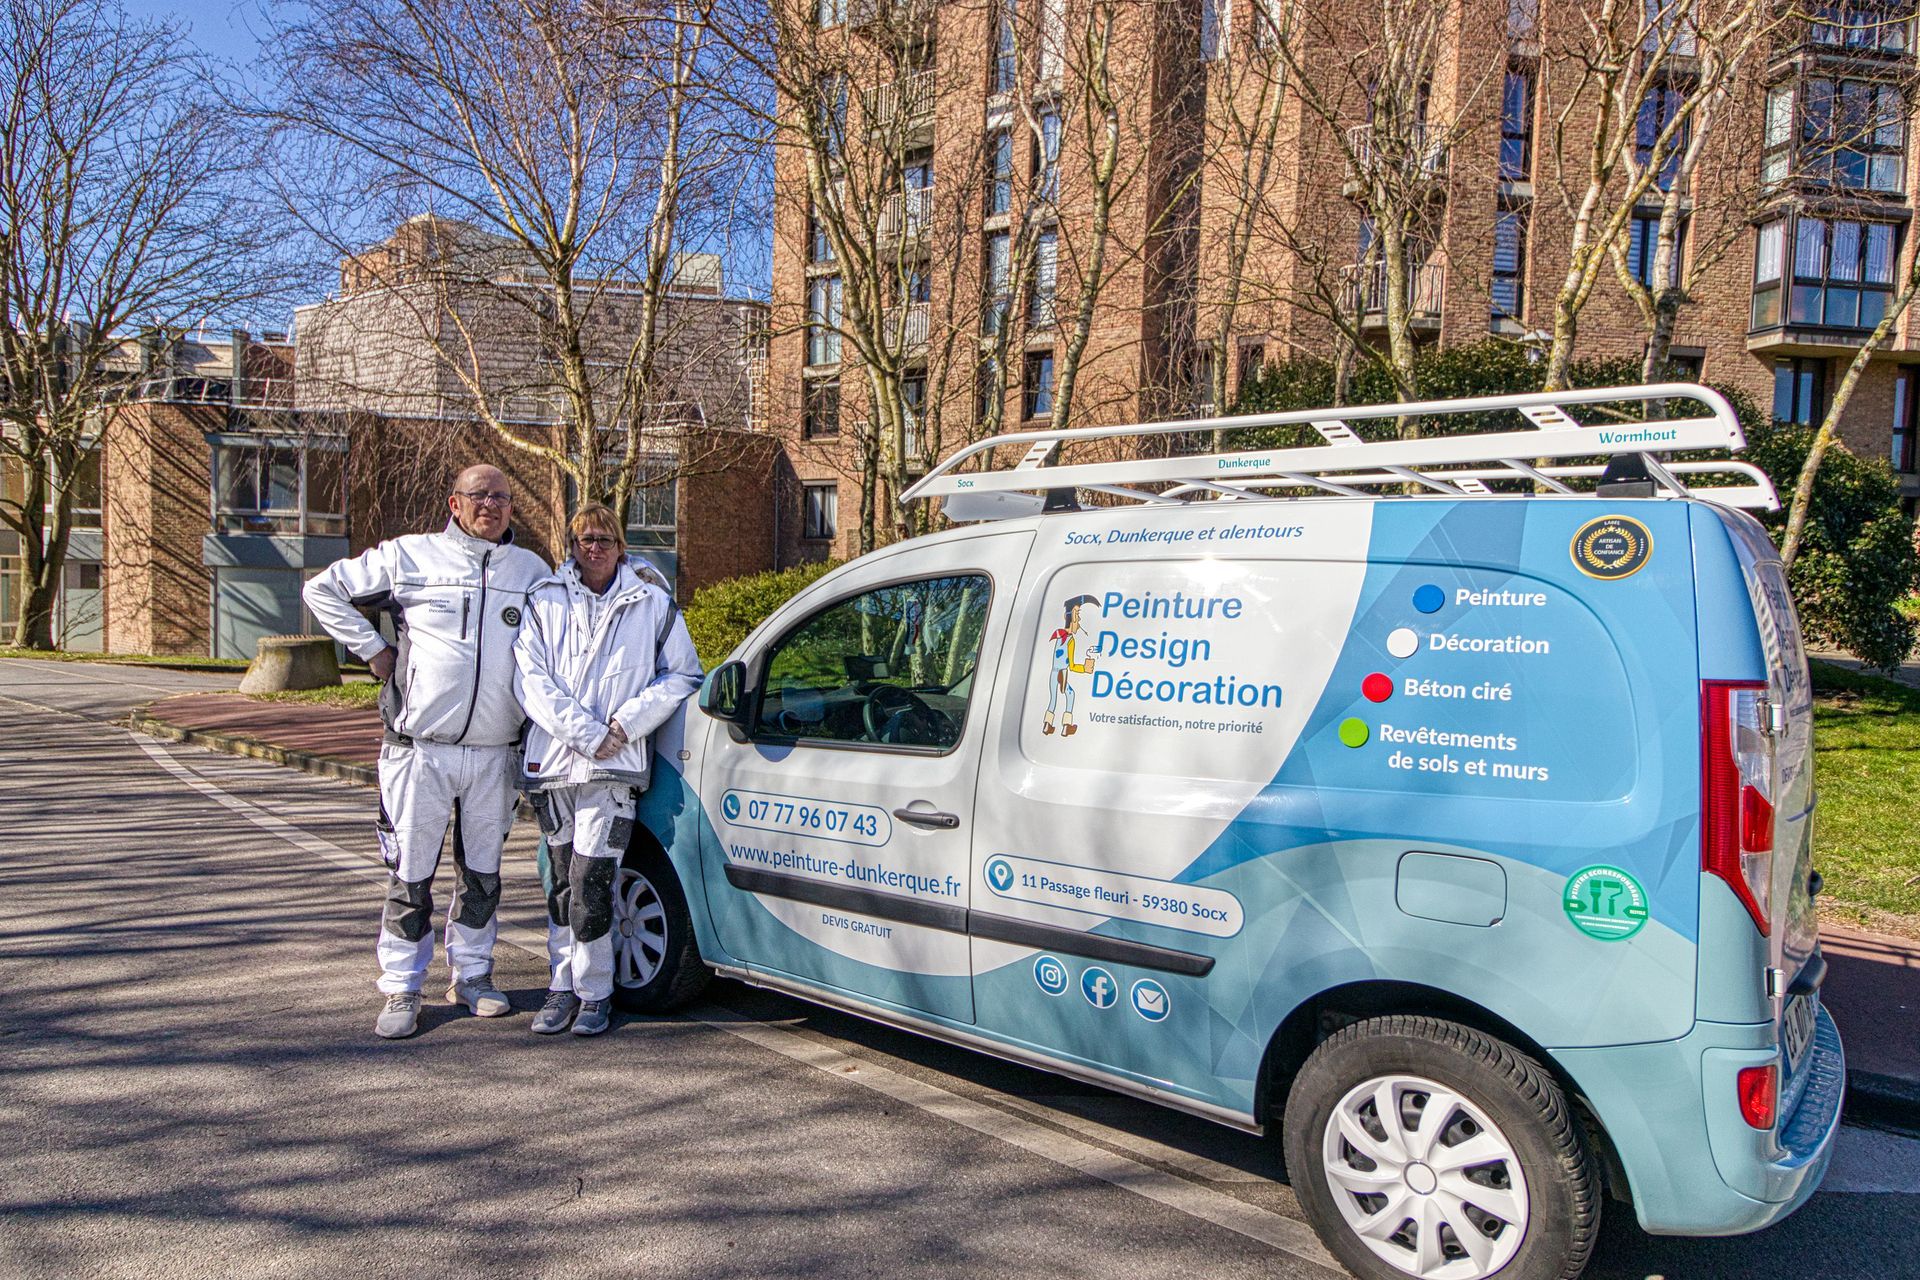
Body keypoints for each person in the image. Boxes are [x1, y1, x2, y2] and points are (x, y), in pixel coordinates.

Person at [303, 464, 550, 1039]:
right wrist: (372, 650)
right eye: (479, 496)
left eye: (502, 497)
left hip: (496, 751)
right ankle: (401, 987)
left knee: (483, 874)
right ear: (454, 503)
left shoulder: (530, 571)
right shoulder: (410, 557)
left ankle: (472, 976)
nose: (491, 505)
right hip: (420, 749)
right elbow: (323, 588)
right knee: (411, 875)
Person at [512, 504, 702, 1036]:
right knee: (560, 887)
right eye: (584, 539)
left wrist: (623, 727)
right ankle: (560, 985)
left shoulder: (652, 603)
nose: (593, 548)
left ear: (621, 545)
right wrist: (588, 734)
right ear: (571, 546)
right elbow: (530, 680)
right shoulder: (543, 601)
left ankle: (595, 992)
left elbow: (683, 675)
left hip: (614, 769)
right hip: (552, 764)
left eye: (603, 539)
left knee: (592, 880)